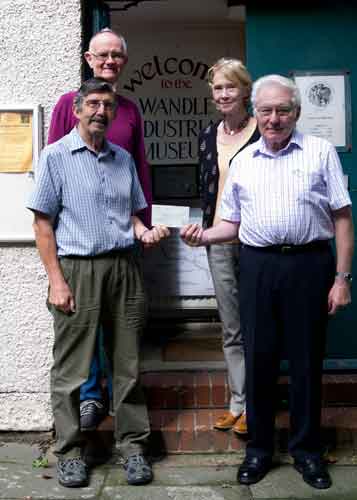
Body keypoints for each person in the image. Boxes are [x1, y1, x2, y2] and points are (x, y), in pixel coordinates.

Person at [181, 74, 353, 490]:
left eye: (282, 110)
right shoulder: (243, 161)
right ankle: (258, 451)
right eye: (266, 110)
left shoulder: (319, 151)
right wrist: (203, 235)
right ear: (255, 113)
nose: (274, 118)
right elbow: (231, 224)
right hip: (257, 266)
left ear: (296, 112)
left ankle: (306, 451)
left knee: (306, 363)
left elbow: (343, 218)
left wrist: (342, 278)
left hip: (309, 265)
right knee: (259, 361)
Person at [28, 78, 169, 488]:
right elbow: (42, 224)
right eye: (92, 104)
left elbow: (131, 216)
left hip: (124, 269)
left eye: (106, 105)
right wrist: (56, 280)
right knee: (71, 370)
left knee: (127, 365)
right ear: (76, 110)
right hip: (78, 269)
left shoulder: (122, 158)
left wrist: (144, 232)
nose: (100, 112)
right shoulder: (55, 157)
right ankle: (71, 452)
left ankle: (133, 448)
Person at [48, 28, 152, 432]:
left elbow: (138, 167)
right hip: (79, 243)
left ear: (124, 62)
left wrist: (144, 224)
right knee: (82, 328)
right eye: (102, 55)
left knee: (123, 329)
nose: (109, 62)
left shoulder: (130, 109)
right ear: (88, 59)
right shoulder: (67, 105)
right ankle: (91, 396)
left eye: (117, 56)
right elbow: (57, 170)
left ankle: (119, 404)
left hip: (124, 237)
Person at [200, 58, 259, 435]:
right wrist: (202, 230)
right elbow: (205, 188)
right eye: (218, 88)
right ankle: (238, 402)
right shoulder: (207, 135)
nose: (223, 94)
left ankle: (257, 402)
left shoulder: (263, 132)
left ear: (244, 91)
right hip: (219, 240)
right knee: (232, 327)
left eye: (230, 87)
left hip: (257, 241)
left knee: (260, 324)